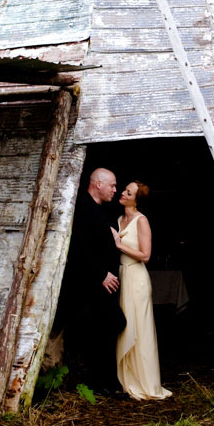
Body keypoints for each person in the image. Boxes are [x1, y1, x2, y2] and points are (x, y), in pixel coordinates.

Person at [57, 167, 126, 396]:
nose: (115, 190)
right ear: (98, 184)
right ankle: (101, 382)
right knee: (110, 324)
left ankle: (100, 381)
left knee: (105, 327)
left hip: (99, 284)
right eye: (112, 185)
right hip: (89, 284)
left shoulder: (96, 209)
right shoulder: (83, 207)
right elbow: (78, 246)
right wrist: (101, 274)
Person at [113, 181, 171, 401]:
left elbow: (145, 255)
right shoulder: (119, 220)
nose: (122, 193)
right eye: (124, 190)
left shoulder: (141, 221)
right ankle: (128, 381)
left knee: (141, 329)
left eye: (128, 192)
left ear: (136, 200)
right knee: (126, 327)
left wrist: (119, 244)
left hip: (137, 277)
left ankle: (146, 383)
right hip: (123, 276)